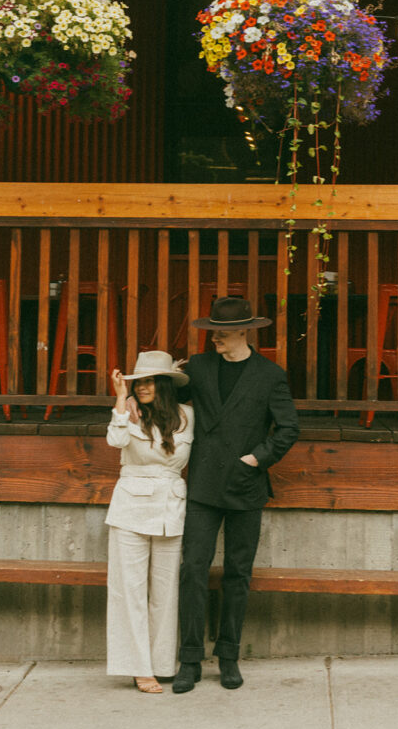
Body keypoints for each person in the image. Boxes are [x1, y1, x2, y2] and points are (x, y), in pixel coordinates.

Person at [173, 297, 299, 693]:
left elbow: (289, 427)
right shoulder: (199, 367)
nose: (214, 339)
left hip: (245, 485)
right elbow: (168, 399)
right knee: (193, 569)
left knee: (237, 575)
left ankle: (229, 657)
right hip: (204, 486)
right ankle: (189, 661)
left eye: (222, 333)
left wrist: (257, 459)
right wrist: (164, 376)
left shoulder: (269, 374)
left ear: (244, 332)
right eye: (212, 332)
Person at [105, 350, 194, 694]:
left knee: (165, 591)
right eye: (138, 381)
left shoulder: (188, 416)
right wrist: (119, 399)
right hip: (130, 508)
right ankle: (138, 667)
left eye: (150, 381)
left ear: (166, 384)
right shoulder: (128, 411)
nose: (143, 387)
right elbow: (115, 441)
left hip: (171, 508)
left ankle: (160, 664)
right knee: (130, 590)